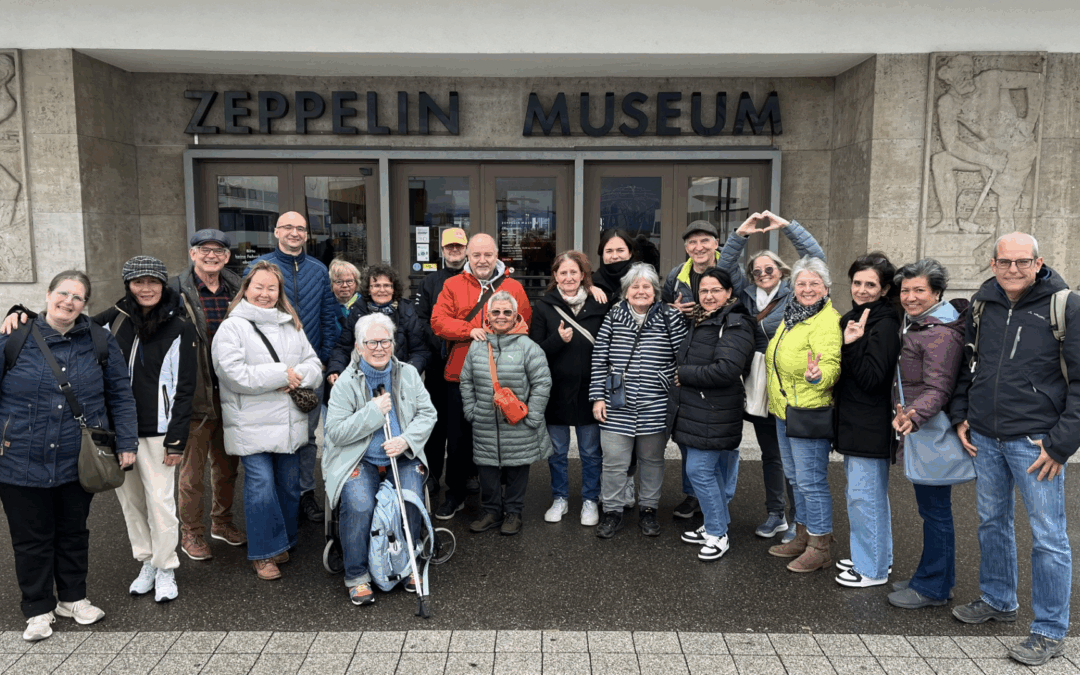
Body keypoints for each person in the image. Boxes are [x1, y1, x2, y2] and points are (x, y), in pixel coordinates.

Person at [948, 232, 1079, 667]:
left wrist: (1060, 446)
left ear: (1039, 263)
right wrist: (963, 414)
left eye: (1023, 262)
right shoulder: (983, 304)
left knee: (1048, 537)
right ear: (992, 264)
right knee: (991, 522)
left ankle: (1048, 630)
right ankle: (998, 598)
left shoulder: (1065, 306)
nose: (1014, 270)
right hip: (985, 436)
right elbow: (970, 365)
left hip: (1036, 442)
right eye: (1006, 262)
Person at [0, 271, 137, 641]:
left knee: (73, 532)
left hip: (77, 458)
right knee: (31, 539)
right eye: (63, 293)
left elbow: (120, 396)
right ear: (47, 295)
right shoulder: (14, 336)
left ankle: (73, 598)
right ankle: (38, 608)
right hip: (19, 460)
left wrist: (126, 442)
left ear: (85, 304)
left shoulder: (98, 339)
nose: (69, 302)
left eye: (78, 297)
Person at [212, 261, 323, 580]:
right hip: (252, 425)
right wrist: (281, 375)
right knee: (261, 487)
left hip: (288, 424)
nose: (264, 293)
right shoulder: (233, 326)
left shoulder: (291, 323)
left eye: (271, 288)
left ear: (279, 292)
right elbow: (232, 374)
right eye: (258, 287)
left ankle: (282, 542)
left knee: (289, 487)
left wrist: (299, 376)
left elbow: (313, 362)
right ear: (246, 289)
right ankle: (263, 553)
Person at [719, 210, 825, 543]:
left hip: (792, 382)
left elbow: (816, 258)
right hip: (758, 384)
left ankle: (801, 521)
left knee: (792, 458)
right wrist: (741, 234)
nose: (763, 273)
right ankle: (776, 513)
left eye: (770, 269)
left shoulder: (796, 292)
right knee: (771, 454)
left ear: (782, 271)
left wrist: (789, 227)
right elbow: (723, 271)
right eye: (757, 270)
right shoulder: (747, 296)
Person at [98, 257, 198, 603]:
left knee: (160, 502)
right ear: (128, 285)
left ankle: (166, 565)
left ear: (163, 284)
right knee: (131, 503)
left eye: (152, 282)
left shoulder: (180, 326)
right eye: (138, 282)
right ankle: (147, 563)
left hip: (159, 431)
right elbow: (64, 323)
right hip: (119, 432)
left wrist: (176, 439)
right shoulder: (114, 319)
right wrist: (18, 313)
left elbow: (186, 388)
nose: (146, 288)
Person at [322, 313, 436, 605]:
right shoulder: (346, 383)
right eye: (370, 342)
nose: (379, 347)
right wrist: (373, 413)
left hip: (403, 455)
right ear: (358, 347)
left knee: (408, 496)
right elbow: (334, 432)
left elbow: (428, 414)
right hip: (359, 458)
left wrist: (406, 440)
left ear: (393, 343)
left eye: (385, 341)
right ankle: (357, 574)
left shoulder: (408, 373)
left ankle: (408, 562)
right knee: (360, 503)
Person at [430, 233, 531, 520]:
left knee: (498, 438)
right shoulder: (452, 285)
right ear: (467, 256)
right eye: (476, 255)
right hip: (460, 375)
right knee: (458, 439)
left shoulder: (513, 286)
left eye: (488, 255)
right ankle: (455, 494)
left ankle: (500, 502)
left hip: (502, 377)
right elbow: (438, 321)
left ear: (497, 255)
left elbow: (524, 323)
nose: (482, 260)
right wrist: (468, 331)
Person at [247, 211, 339, 524]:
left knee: (307, 437)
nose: (295, 233)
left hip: (309, 369)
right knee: (270, 435)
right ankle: (274, 496)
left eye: (300, 228)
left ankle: (304, 494)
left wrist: (324, 357)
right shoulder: (260, 269)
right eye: (288, 227)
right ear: (276, 232)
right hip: (268, 371)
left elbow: (328, 315)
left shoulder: (318, 269)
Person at [884, 259, 966, 609]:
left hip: (930, 429)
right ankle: (937, 580)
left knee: (935, 512)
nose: (910, 297)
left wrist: (913, 418)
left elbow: (939, 387)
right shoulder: (918, 323)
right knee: (933, 510)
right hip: (921, 426)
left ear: (937, 292)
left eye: (919, 290)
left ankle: (931, 587)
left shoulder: (940, 332)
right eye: (905, 290)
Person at [589, 263, 687, 538]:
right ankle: (612, 512)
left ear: (655, 292)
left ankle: (648, 510)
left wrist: (665, 377)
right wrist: (597, 397)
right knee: (614, 462)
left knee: (652, 460)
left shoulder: (670, 316)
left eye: (646, 286)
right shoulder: (613, 315)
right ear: (626, 291)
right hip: (616, 402)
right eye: (635, 286)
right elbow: (599, 359)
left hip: (655, 403)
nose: (641, 291)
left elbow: (684, 357)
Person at [669, 269, 755, 561]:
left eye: (715, 290)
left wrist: (683, 373)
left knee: (699, 471)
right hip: (698, 408)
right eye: (703, 291)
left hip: (715, 410)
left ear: (730, 292)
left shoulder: (736, 323)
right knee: (710, 472)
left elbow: (727, 370)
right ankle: (715, 524)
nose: (708, 296)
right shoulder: (704, 319)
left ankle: (718, 534)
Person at [171, 229, 245, 561]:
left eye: (219, 250)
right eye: (204, 249)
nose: (211, 255)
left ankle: (222, 522)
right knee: (192, 470)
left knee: (227, 465)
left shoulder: (238, 288)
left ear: (227, 256)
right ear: (192, 253)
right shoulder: (175, 290)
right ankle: (191, 532)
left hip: (231, 390)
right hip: (196, 391)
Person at [764, 255, 841, 572]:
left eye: (814, 283)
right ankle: (803, 534)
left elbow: (832, 363)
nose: (807, 288)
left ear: (826, 288)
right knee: (796, 479)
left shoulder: (826, 320)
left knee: (811, 482)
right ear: (792, 287)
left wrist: (818, 376)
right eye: (801, 283)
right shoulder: (793, 315)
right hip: (785, 410)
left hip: (809, 410)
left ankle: (820, 545)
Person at [832, 254, 902, 588]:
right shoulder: (861, 317)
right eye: (857, 283)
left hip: (869, 424)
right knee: (867, 495)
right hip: (856, 421)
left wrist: (850, 346)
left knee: (864, 497)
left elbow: (873, 378)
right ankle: (874, 556)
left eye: (870, 284)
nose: (861, 289)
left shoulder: (883, 323)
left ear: (884, 288)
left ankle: (871, 569)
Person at [460, 291, 551, 536]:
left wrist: (533, 416)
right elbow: (466, 380)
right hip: (485, 422)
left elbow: (542, 383)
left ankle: (514, 512)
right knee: (487, 469)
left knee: (517, 469)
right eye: (496, 312)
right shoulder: (477, 346)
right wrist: (471, 410)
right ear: (488, 316)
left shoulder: (528, 347)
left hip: (518, 422)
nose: (501, 317)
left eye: (507, 312)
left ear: (515, 316)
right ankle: (491, 511)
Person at [530, 251, 607, 526]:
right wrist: (557, 340)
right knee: (558, 452)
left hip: (591, 391)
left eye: (574, 272)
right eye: (563, 273)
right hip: (556, 393)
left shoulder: (599, 302)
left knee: (590, 452)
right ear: (555, 276)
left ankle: (590, 500)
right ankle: (560, 498)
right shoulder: (543, 307)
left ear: (583, 275)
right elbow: (535, 350)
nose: (569, 277)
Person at [661, 220, 721, 520]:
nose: (699, 247)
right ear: (686, 247)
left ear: (716, 243)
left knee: (716, 432)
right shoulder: (676, 275)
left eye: (705, 241)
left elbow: (738, 305)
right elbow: (662, 310)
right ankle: (692, 494)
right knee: (688, 430)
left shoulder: (729, 270)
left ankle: (717, 497)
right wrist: (674, 310)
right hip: (685, 357)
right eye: (693, 242)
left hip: (719, 354)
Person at [414, 227, 468, 504]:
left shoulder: (475, 280)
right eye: (450, 247)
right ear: (443, 249)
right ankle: (432, 476)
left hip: (467, 367)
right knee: (434, 425)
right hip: (437, 365)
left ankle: (464, 478)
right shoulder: (430, 282)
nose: (454, 251)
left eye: (459, 247)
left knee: (462, 427)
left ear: (466, 249)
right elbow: (421, 319)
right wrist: (440, 344)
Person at [327, 263, 429, 379]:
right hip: (362, 378)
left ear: (393, 289)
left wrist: (407, 374)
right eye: (376, 286)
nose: (382, 290)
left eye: (387, 285)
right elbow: (343, 347)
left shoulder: (407, 311)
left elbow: (420, 351)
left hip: (399, 379)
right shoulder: (358, 310)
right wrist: (335, 369)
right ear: (369, 289)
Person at [590, 228, 635, 311]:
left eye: (620, 250)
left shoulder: (642, 281)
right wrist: (586, 288)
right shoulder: (591, 283)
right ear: (602, 254)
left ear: (630, 252)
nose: (614, 256)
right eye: (609, 251)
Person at [328, 258, 362, 329]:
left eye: (349, 281)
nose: (345, 285)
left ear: (356, 283)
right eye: (339, 281)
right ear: (331, 284)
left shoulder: (364, 305)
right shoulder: (326, 305)